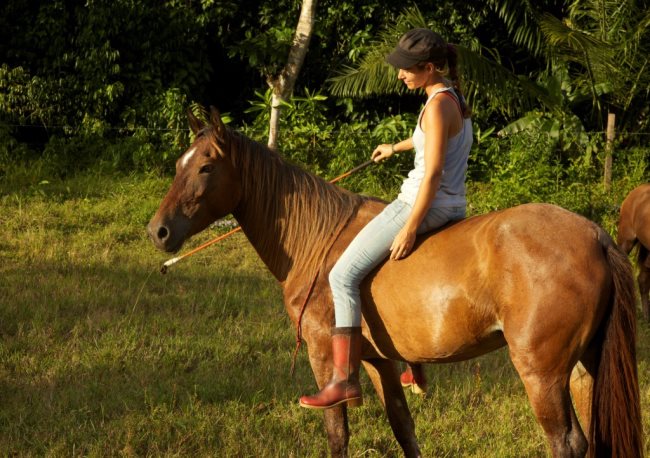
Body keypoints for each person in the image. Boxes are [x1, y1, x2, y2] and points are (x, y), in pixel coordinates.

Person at [299, 28, 473, 409]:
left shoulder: (438, 104)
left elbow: (432, 174)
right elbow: (432, 139)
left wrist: (410, 226)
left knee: (341, 275)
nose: (399, 75)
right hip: (451, 204)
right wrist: (395, 146)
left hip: (421, 204)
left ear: (428, 68)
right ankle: (412, 363)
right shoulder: (449, 97)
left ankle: (343, 380)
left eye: (406, 69)